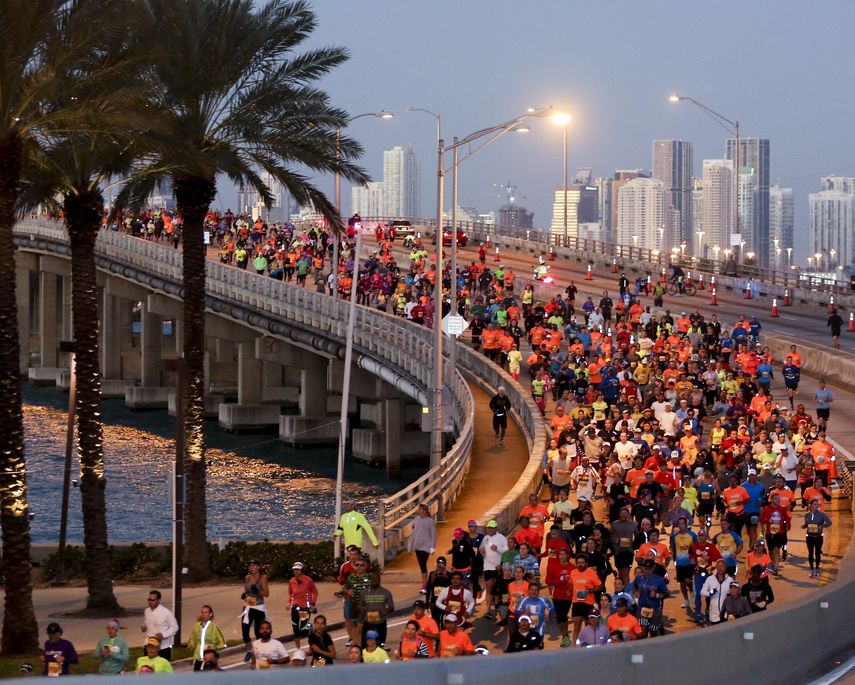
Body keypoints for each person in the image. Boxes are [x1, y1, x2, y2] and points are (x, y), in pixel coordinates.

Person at [628, 559, 670, 638]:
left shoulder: (659, 580)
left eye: (649, 568)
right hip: (642, 609)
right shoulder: (639, 578)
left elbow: (667, 594)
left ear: (653, 567)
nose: (647, 571)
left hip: (654, 609)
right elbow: (634, 586)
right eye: (646, 568)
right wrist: (635, 592)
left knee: (653, 632)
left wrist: (657, 595)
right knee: (643, 630)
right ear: (643, 567)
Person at [240, 559, 269, 661]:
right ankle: (249, 651)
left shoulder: (262, 578)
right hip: (248, 607)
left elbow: (266, 594)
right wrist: (245, 595)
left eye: (253, 565)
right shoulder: (247, 578)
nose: (251, 568)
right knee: (245, 633)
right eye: (250, 566)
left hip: (258, 608)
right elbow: (247, 590)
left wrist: (257, 591)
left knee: (258, 632)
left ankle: (259, 652)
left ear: (258, 567)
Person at [479, 520, 509, 618]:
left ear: (496, 528)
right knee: (488, 587)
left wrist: (498, 549)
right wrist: (482, 551)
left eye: (492, 528)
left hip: (498, 567)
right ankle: (488, 610)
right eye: (489, 527)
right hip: (487, 567)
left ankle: (497, 605)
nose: (490, 529)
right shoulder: (485, 538)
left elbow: (507, 550)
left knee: (498, 589)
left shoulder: (502, 538)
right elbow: (481, 549)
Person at [186, 605, 226, 672]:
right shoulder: (197, 626)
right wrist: (191, 645)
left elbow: (223, 644)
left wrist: (214, 647)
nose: (203, 614)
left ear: (210, 614)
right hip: (198, 658)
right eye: (202, 612)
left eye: (205, 612)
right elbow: (192, 640)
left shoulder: (214, 627)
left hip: (209, 660)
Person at [288, 562, 318, 649]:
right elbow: (290, 594)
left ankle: (309, 627)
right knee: (295, 628)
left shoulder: (308, 580)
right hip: (295, 606)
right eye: (294, 570)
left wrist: (312, 603)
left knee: (303, 630)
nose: (296, 571)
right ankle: (298, 649)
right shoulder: (291, 581)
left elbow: (315, 592)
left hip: (305, 607)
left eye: (298, 570)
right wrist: (289, 602)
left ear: (302, 570)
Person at [141, 590, 179, 661]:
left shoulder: (166, 613)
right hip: (149, 645)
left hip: (163, 647)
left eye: (152, 600)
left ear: (159, 600)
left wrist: (163, 634)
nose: (150, 602)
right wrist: (144, 627)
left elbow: (175, 627)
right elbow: (147, 623)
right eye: (149, 600)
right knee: (148, 669)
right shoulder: (147, 611)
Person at [360, 573, 395, 647]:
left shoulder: (386, 593)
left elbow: (392, 608)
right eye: (372, 579)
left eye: (376, 578)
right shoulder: (364, 593)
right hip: (368, 623)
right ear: (369, 580)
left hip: (381, 623)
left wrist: (385, 610)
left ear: (379, 579)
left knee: (381, 645)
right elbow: (359, 606)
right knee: (364, 646)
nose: (374, 580)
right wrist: (362, 609)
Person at [409, 503, 437, 593]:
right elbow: (413, 535)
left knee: (423, 565)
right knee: (422, 566)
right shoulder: (416, 520)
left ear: (424, 511)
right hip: (418, 546)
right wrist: (410, 547)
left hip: (426, 547)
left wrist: (432, 547)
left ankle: (424, 586)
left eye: (420, 510)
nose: (418, 511)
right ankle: (425, 585)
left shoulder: (430, 521)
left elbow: (433, 535)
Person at [803, 498, 833, 577]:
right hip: (809, 537)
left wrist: (822, 526)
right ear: (811, 506)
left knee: (817, 553)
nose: (816, 506)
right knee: (810, 553)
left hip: (818, 537)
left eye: (817, 504)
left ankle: (817, 568)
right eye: (814, 504)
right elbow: (806, 524)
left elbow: (829, 523)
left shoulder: (822, 515)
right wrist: (804, 526)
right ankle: (811, 569)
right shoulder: (807, 515)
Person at [701, 559, 737, 624]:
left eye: (722, 566)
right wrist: (710, 593)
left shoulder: (730, 580)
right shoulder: (710, 579)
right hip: (714, 614)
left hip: (726, 614)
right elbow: (702, 592)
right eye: (718, 566)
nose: (720, 568)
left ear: (725, 568)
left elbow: (735, 593)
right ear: (716, 568)